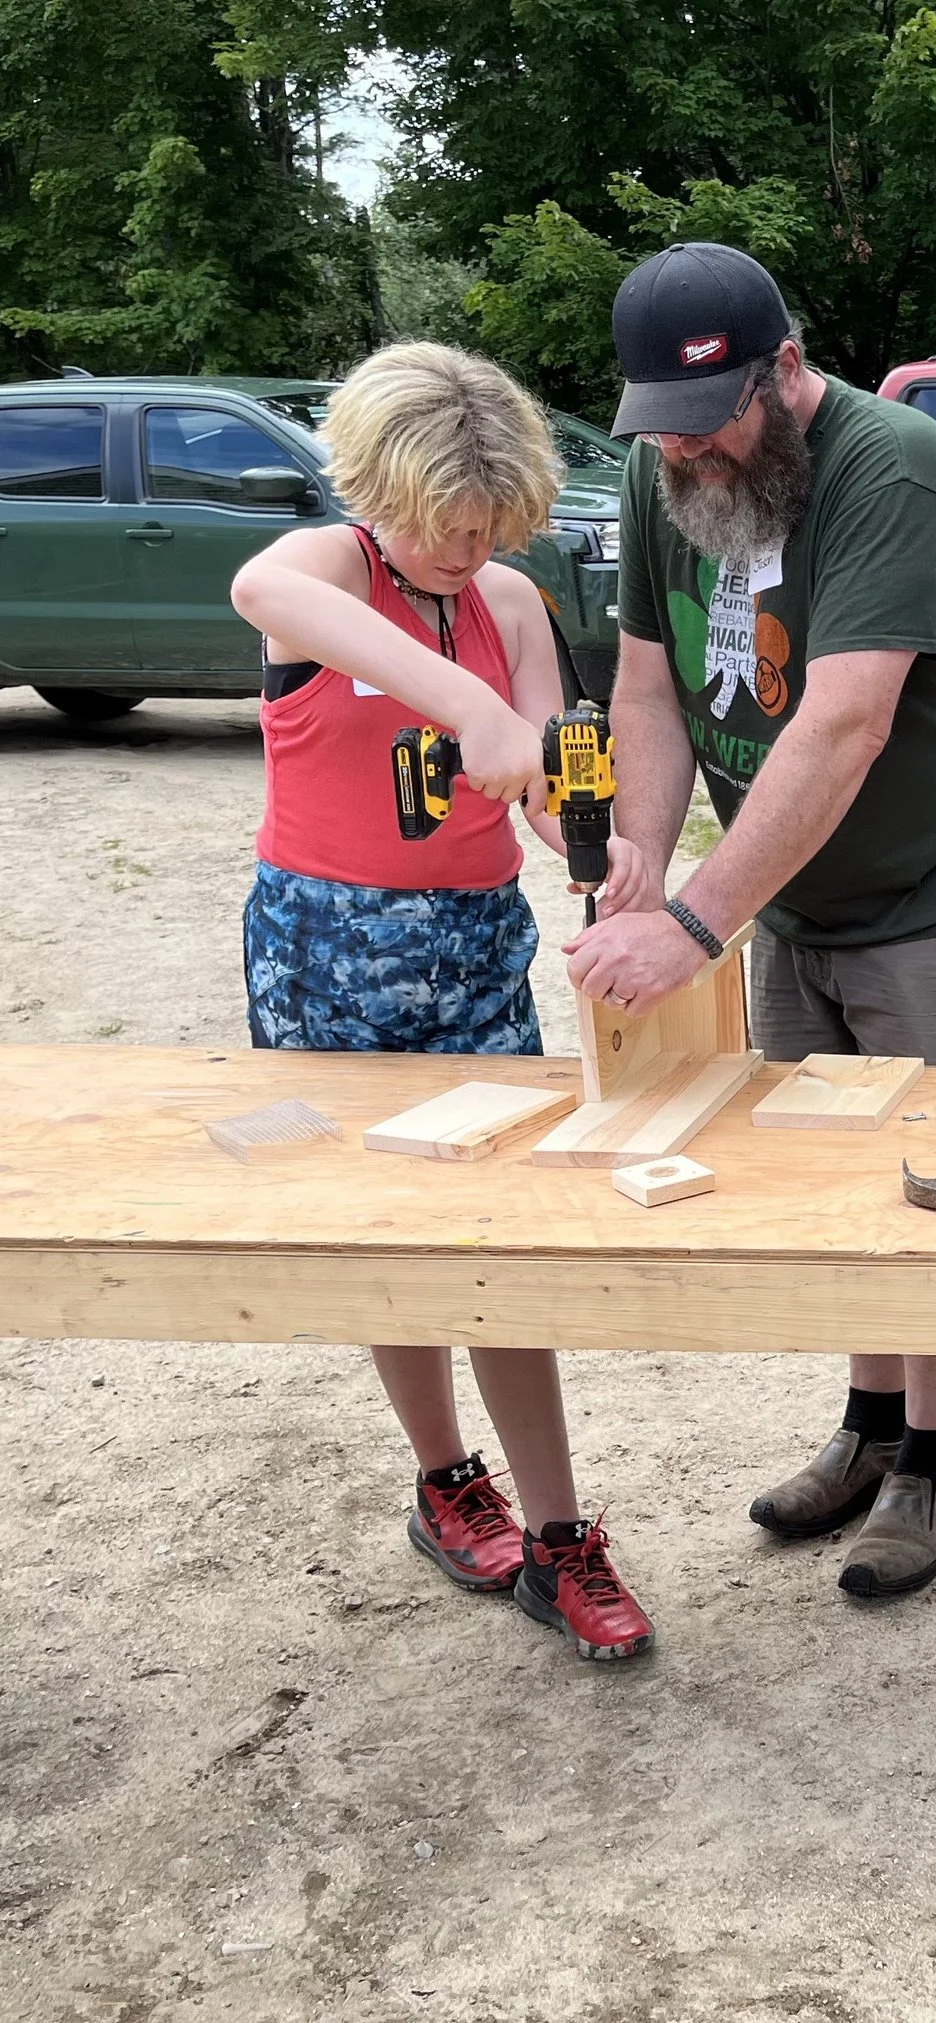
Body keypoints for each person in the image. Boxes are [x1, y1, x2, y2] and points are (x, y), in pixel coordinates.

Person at [565, 243, 936, 1601]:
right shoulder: (667, 469)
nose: (687, 453)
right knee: (831, 1181)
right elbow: (648, 691)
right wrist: (642, 862)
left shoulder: (894, 468)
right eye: (662, 427)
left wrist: (695, 923)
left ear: (785, 369)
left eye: (709, 421)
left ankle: (931, 1462)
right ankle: (868, 1425)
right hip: (790, 899)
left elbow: (844, 723)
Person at [227, 341, 657, 1662]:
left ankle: (561, 1532)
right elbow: (257, 587)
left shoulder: (510, 602)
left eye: (490, 526)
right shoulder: (323, 572)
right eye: (447, 526)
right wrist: (463, 698)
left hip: (474, 947)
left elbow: (538, 780)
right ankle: (444, 1478)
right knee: (387, 1234)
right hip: (324, 945)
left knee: (496, 1240)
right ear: (378, 489)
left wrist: (596, 843)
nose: (470, 550)